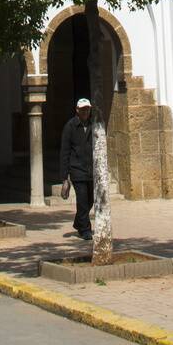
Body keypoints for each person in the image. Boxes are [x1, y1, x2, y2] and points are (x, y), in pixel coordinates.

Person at [59, 97, 95, 241]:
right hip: (77, 170)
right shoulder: (70, 126)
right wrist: (64, 178)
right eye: (83, 109)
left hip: (91, 170)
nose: (86, 112)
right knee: (82, 200)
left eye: (87, 109)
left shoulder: (94, 125)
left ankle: (78, 222)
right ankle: (85, 230)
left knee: (90, 200)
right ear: (77, 110)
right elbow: (65, 152)